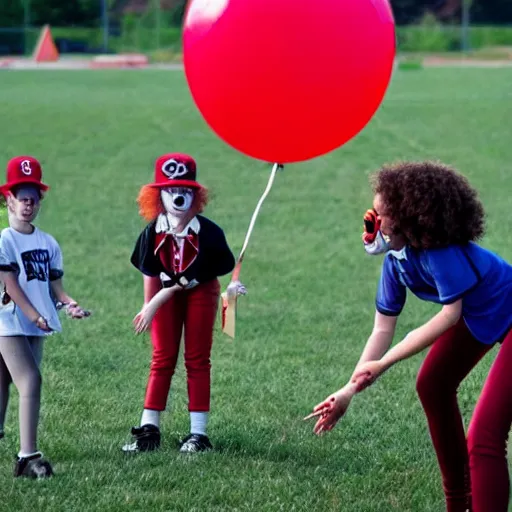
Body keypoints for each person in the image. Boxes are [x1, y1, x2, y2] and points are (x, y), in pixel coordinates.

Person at [306, 161, 512, 512]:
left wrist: (384, 363)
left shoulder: (439, 253)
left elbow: (450, 315)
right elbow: (382, 328)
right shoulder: (396, 262)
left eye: (380, 215)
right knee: (432, 384)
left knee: (484, 439)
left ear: (409, 218)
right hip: (484, 315)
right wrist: (348, 390)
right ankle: (458, 502)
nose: (371, 220)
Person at [123, 153, 245, 454]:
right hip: (163, 296)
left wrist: (156, 302)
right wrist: (146, 305)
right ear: (158, 196)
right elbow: (149, 270)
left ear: (196, 195)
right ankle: (149, 429)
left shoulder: (209, 234)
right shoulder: (152, 233)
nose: (178, 198)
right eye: (171, 191)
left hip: (200, 294)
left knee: (197, 358)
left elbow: (199, 275)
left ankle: (198, 434)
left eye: (186, 191)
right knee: (162, 356)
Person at [0, 156, 89, 478]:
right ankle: (27, 457)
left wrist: (69, 304)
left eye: (33, 199)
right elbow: (11, 285)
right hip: (9, 320)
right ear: (8, 199)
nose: (27, 205)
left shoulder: (47, 242)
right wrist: (35, 315)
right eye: (21, 199)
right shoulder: (4, 240)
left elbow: (56, 288)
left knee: (4, 382)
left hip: (37, 323)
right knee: (31, 380)